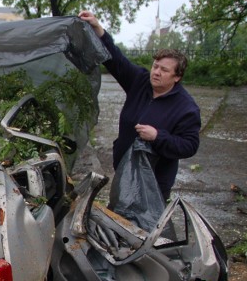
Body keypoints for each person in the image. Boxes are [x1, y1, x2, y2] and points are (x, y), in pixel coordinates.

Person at [78, 11, 201, 201]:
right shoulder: (140, 81)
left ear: (177, 77)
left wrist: (158, 137)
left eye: (164, 70)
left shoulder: (186, 108)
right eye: (155, 66)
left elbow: (189, 146)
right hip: (124, 172)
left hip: (154, 183)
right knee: (119, 219)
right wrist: (98, 28)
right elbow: (116, 61)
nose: (157, 72)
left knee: (144, 227)